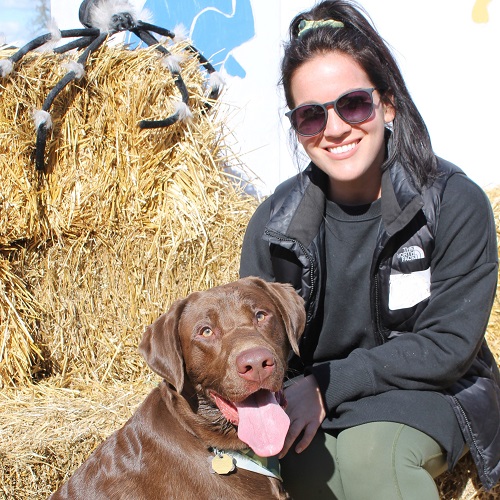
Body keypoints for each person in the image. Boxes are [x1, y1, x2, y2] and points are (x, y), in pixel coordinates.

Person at [239, 1, 500, 498]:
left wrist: (329, 383)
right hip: (311, 396)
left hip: (428, 390)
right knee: (303, 472)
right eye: (311, 116)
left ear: (388, 104)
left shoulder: (453, 203)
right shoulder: (274, 225)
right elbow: (254, 340)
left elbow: (447, 345)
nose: (335, 129)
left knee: (373, 455)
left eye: (353, 104)